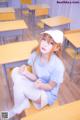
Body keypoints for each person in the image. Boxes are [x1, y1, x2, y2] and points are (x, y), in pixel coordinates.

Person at [8, 29, 65, 119]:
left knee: (19, 85)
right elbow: (35, 77)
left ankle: (17, 109)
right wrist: (25, 72)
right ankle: (23, 102)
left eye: (51, 43)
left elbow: (50, 86)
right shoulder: (35, 55)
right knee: (15, 70)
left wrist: (40, 86)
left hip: (46, 94)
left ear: (57, 48)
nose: (45, 44)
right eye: (44, 39)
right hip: (36, 84)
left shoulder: (58, 66)